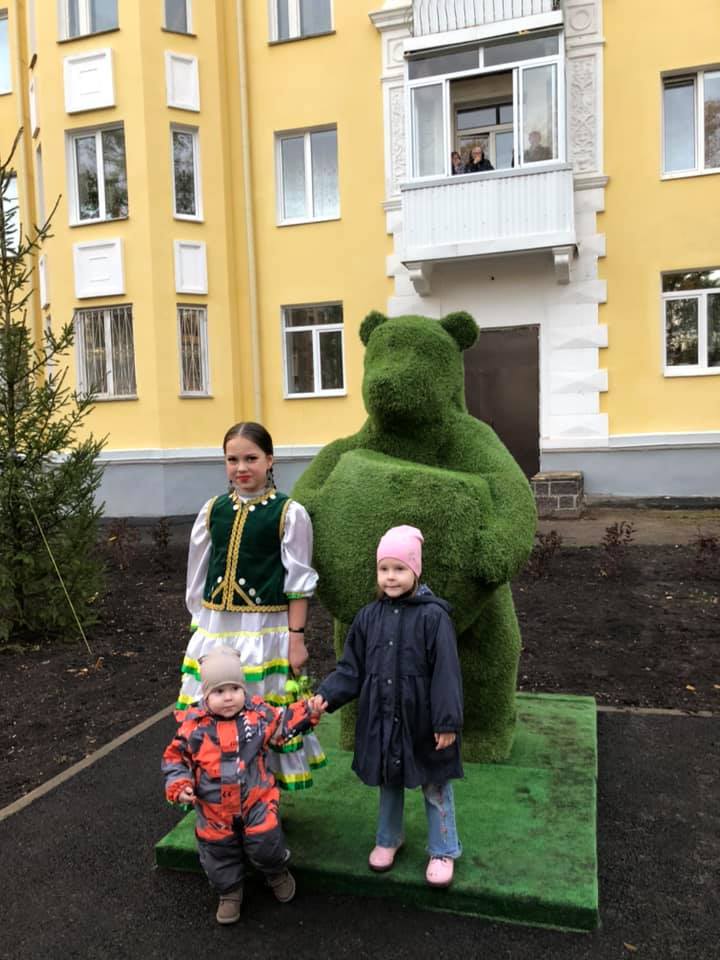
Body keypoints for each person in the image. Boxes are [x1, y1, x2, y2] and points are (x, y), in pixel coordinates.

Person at [309, 525, 464, 888]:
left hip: (423, 719)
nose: (391, 577)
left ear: (415, 570)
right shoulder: (368, 617)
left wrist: (446, 722)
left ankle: (443, 848)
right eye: (384, 569)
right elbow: (352, 668)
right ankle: (388, 838)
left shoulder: (433, 617)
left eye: (399, 568)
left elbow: (446, 672)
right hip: (383, 716)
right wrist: (326, 695)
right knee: (388, 777)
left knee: (435, 783)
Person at [176, 420, 326, 791]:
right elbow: (198, 571)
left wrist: (296, 639)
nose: (241, 468)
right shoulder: (213, 510)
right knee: (216, 701)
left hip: (265, 630)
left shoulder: (289, 513)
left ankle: (261, 792)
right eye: (232, 460)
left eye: (251, 458)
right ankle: (217, 786)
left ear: (269, 460)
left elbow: (298, 583)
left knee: (259, 704)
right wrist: (200, 622)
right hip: (218, 627)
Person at [162, 646, 322, 924]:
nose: (228, 697)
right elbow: (175, 759)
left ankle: (276, 871)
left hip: (256, 799)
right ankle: (229, 891)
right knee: (217, 851)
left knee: (266, 840)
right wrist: (179, 784)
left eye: (234, 689)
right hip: (214, 808)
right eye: (219, 691)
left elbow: (283, 721)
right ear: (205, 694)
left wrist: (308, 710)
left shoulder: (257, 716)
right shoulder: (194, 727)